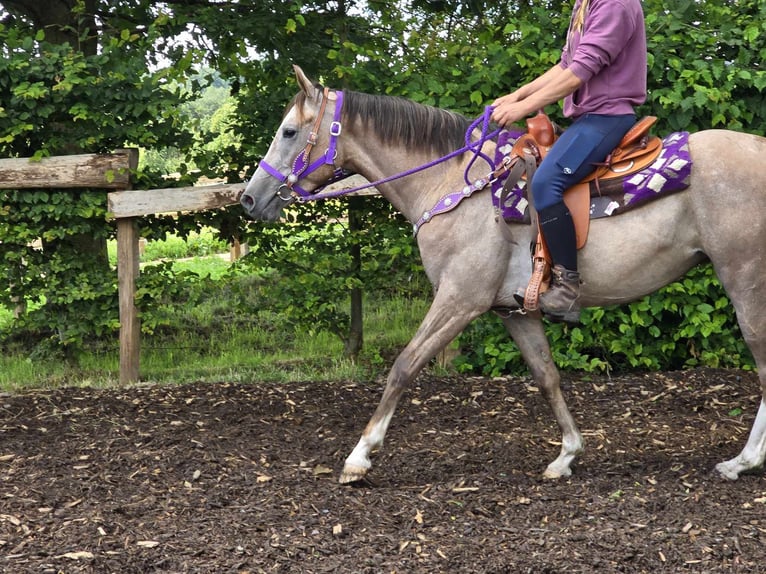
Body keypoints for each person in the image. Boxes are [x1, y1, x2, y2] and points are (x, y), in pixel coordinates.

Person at [491, 0, 647, 323]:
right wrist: (518, 95)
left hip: (606, 117)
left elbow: (580, 71)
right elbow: (565, 65)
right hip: (588, 119)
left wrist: (523, 109)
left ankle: (566, 287)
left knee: (547, 183)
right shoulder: (585, 4)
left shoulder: (615, 3)